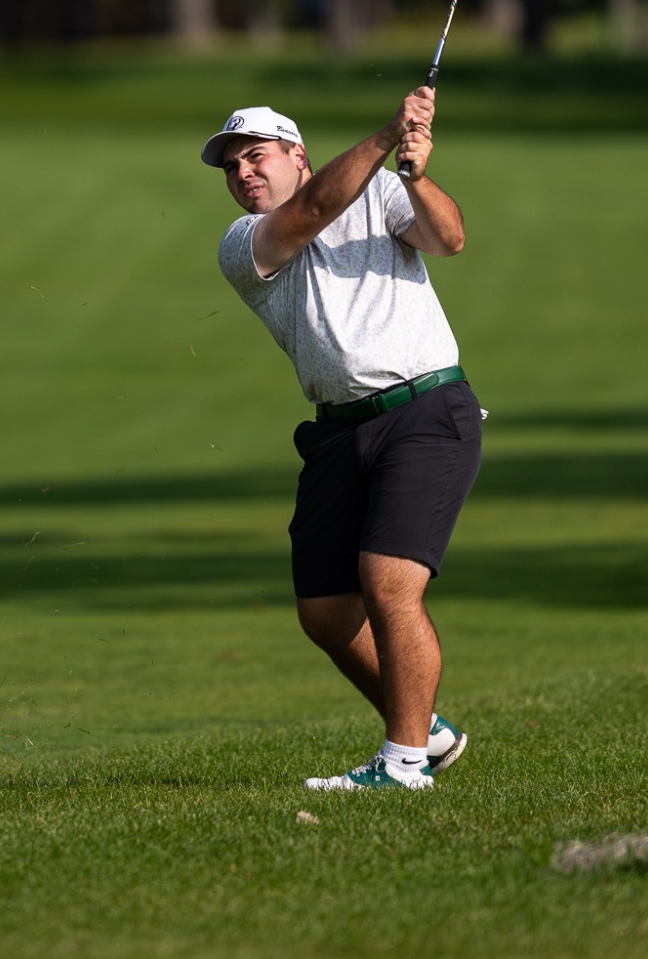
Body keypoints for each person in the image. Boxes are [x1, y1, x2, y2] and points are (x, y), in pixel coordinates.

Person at [201, 88, 483, 791]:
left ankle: (404, 763)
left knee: (388, 584)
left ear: (297, 154)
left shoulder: (382, 190)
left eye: (255, 157)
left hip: (424, 410)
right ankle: (426, 729)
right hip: (337, 431)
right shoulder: (243, 242)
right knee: (326, 611)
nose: (243, 173)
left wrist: (416, 177)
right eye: (232, 167)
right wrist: (388, 134)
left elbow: (449, 238)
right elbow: (313, 210)